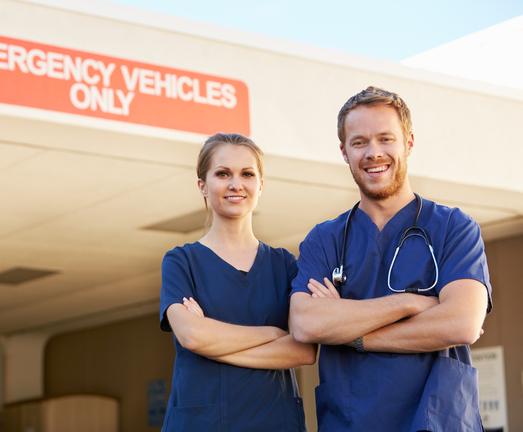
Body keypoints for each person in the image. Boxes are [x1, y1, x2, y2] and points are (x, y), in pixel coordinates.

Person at [289, 87, 493, 432]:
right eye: (359, 142)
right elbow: (306, 324)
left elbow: (461, 324)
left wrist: (352, 335)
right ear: (344, 151)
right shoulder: (324, 240)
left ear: (408, 143)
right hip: (350, 422)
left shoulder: (453, 228)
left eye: (386, 139)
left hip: (437, 420)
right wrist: (412, 303)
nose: (373, 153)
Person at [159, 133, 317, 432]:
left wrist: (213, 341)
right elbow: (192, 337)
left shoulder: (285, 265)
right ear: (202, 186)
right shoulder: (181, 262)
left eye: (247, 173)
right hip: (201, 423)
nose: (236, 184)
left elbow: (303, 351)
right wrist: (273, 333)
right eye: (222, 174)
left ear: (260, 185)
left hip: (274, 421)